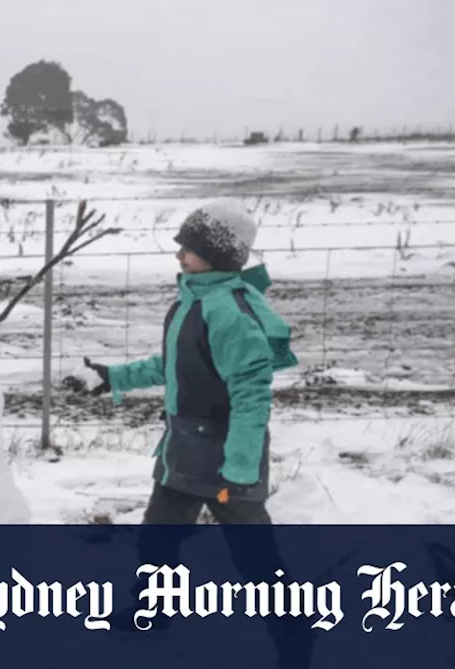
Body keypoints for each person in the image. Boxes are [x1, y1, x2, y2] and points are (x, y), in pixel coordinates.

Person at [83, 199, 313, 668]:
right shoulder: (192, 300)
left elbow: (252, 395)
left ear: (216, 256)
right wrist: (115, 377)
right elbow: (172, 366)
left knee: (254, 559)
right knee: (158, 539)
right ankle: (155, 610)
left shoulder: (230, 312)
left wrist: (241, 467)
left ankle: (294, 637)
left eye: (188, 248)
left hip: (229, 457)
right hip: (184, 451)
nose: (178, 255)